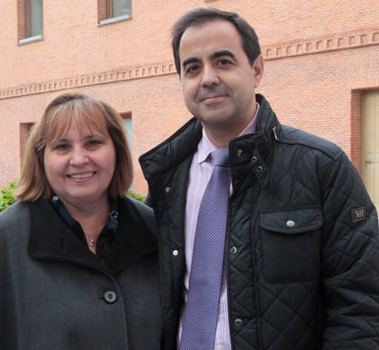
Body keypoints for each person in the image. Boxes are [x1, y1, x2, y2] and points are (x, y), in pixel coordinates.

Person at [139, 8, 379, 349]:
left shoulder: (321, 167)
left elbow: (361, 306)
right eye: (192, 68)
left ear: (256, 69)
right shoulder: (167, 176)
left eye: (223, 62)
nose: (207, 78)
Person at [0, 92, 160, 349]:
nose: (79, 159)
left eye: (93, 143)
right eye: (62, 146)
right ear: (41, 159)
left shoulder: (154, 230)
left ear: (117, 151)